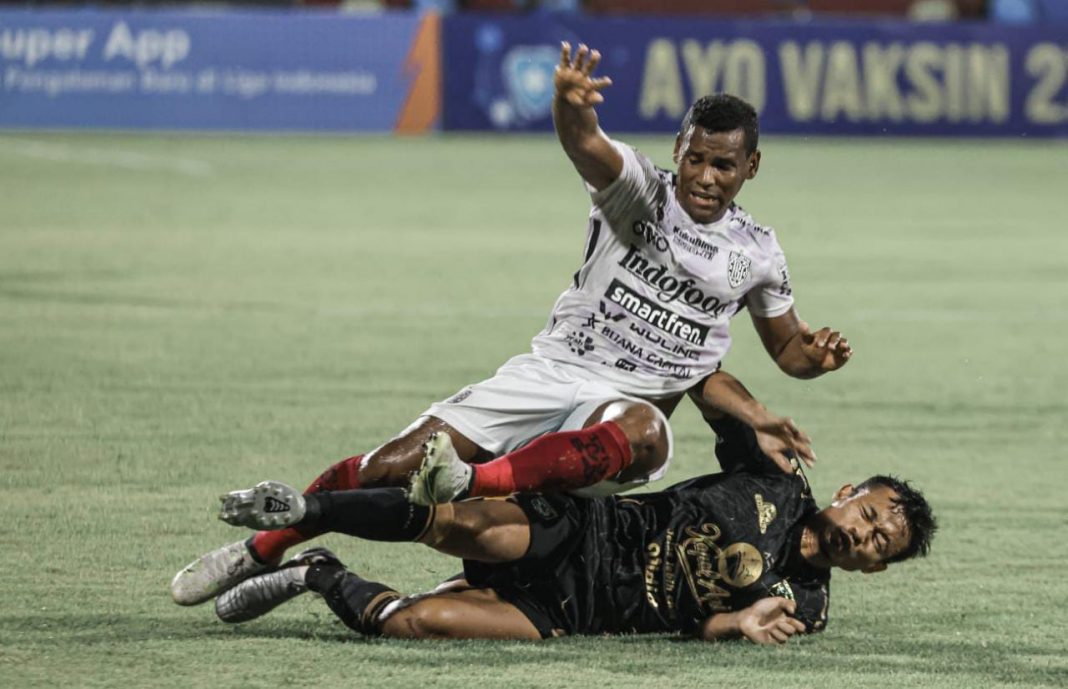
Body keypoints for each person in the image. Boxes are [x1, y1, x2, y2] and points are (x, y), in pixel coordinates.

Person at [170, 42, 852, 607]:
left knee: (646, 433)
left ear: (750, 167)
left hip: (618, 415)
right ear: (679, 146)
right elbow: (584, 139)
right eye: (695, 157)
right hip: (549, 371)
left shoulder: (758, 251)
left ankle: (475, 483)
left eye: (723, 165)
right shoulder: (640, 188)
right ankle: (261, 549)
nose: (704, 176)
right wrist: (568, 101)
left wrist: (813, 355)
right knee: (391, 466)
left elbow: (786, 346)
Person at [203, 409, 935, 645]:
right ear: (846, 492)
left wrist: (739, 621)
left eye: (878, 544)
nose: (863, 535)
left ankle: (315, 570)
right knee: (467, 528)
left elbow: (701, 629)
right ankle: (307, 510)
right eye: (868, 515)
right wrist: (755, 409)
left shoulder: (809, 608)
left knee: (413, 624)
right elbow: (708, 382)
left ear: (874, 568)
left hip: (578, 612)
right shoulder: (777, 476)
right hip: (589, 534)